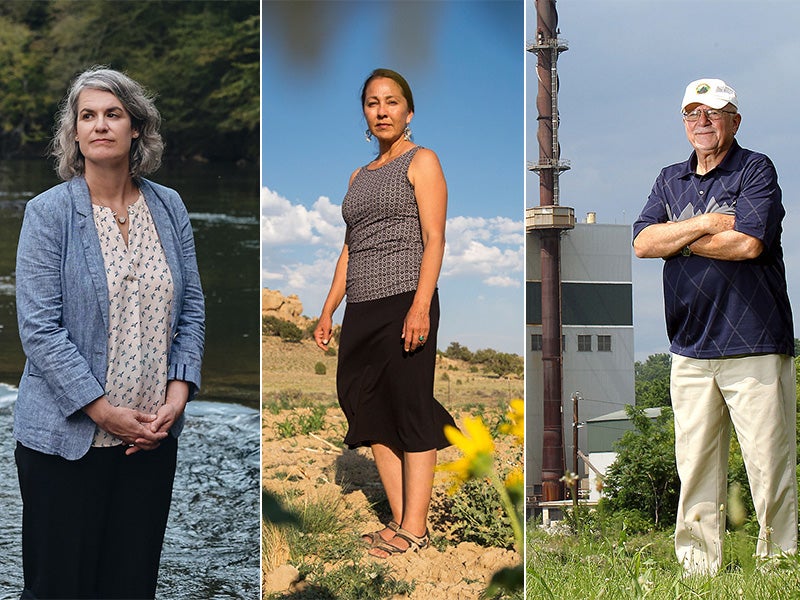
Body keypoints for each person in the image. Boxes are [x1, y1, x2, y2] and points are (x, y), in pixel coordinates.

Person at [14, 66, 205, 598]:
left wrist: (179, 392)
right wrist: (103, 412)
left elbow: (190, 308)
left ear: (136, 127)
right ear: (74, 134)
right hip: (65, 443)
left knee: (131, 586)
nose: (101, 125)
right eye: (88, 116)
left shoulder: (169, 206)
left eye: (113, 114)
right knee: (58, 589)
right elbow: (39, 330)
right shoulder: (48, 213)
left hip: (149, 440)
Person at [633, 78, 797, 575]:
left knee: (768, 465)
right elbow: (642, 242)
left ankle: (780, 565)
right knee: (696, 468)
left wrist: (674, 237)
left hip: (754, 342)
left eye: (713, 112)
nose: (702, 121)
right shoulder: (669, 179)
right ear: (684, 123)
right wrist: (707, 224)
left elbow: (748, 243)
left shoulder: (755, 169)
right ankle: (698, 568)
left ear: (734, 120)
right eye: (692, 113)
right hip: (688, 346)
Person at [313, 68, 455, 558]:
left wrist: (420, 306)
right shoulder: (357, 177)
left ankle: (415, 529)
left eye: (391, 102)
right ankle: (399, 521)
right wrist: (328, 310)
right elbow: (349, 251)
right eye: (372, 103)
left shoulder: (423, 162)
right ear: (365, 114)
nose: (381, 110)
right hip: (362, 308)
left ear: (408, 112)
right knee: (367, 407)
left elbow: (435, 239)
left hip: (404, 300)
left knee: (410, 407)